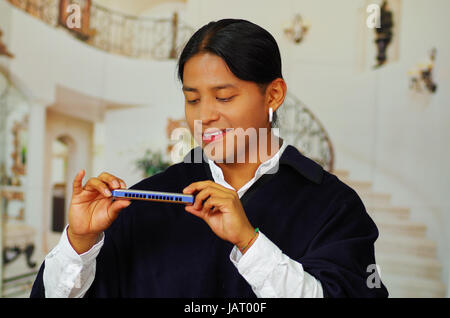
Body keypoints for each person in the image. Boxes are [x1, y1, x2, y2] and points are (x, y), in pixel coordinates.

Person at [30, 19, 388, 298]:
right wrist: (80, 242)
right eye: (193, 99)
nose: (205, 116)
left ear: (274, 94)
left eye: (225, 96)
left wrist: (249, 242)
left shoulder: (333, 207)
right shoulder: (149, 200)